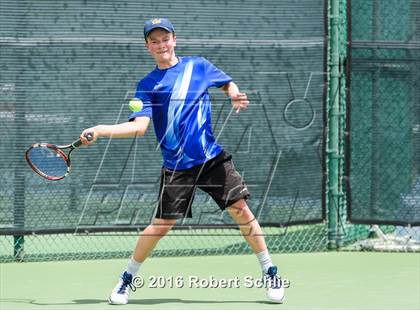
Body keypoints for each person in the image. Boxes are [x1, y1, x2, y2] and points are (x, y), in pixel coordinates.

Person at [80, 17, 284, 304]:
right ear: (147, 46)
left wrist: (234, 93)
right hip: (176, 166)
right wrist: (101, 129)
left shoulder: (197, 66)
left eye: (165, 38)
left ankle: (270, 272)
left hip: (211, 158)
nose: (161, 44)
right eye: (155, 40)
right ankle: (126, 279)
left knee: (240, 209)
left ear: (174, 40)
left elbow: (226, 83)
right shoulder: (148, 85)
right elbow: (139, 127)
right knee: (161, 226)